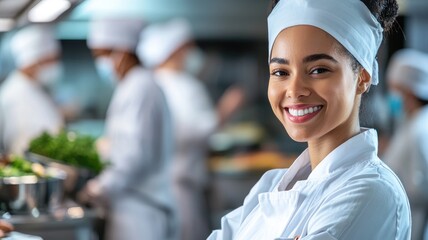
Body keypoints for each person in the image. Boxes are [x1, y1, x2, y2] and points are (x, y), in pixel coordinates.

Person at [208, 0, 411, 239]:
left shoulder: (370, 192)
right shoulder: (270, 186)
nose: (294, 90)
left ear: (362, 77)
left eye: (318, 70)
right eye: (281, 72)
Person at [137, 19, 244, 240]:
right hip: (180, 188)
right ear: (176, 50)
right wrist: (226, 109)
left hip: (155, 191)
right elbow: (195, 131)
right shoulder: (183, 85)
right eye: (189, 46)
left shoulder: (149, 83)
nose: (193, 53)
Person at [79, 18, 175, 240]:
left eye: (102, 55)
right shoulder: (132, 85)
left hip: (141, 210)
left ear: (121, 52)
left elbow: (132, 156)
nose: (101, 62)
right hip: (132, 206)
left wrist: (96, 189)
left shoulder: (140, 87)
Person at [383, 49, 428, 240]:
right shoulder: (410, 123)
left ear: (408, 91)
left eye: (394, 89)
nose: (391, 96)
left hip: (415, 224)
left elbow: (421, 187)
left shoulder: (420, 130)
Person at [0, 24, 63, 155]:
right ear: (33, 61)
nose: (55, 65)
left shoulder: (33, 88)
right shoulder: (15, 95)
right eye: (51, 60)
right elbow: (20, 144)